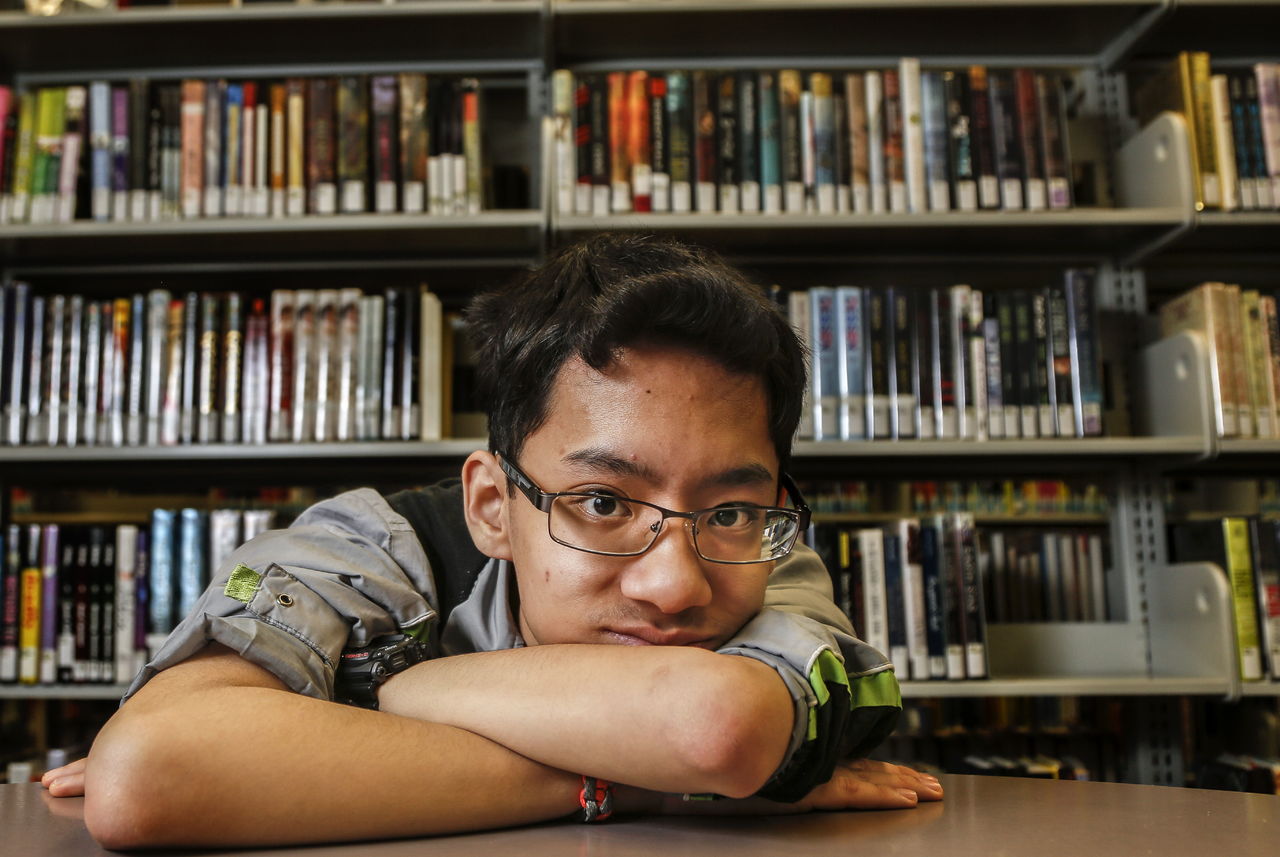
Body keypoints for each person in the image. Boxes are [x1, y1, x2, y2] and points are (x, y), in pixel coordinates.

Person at [42, 235, 942, 849]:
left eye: (730, 508)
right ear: (490, 504)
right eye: (601, 501)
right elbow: (150, 775)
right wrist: (633, 782)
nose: (677, 583)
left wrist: (382, 703)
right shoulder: (371, 546)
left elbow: (712, 724)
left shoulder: (768, 553)